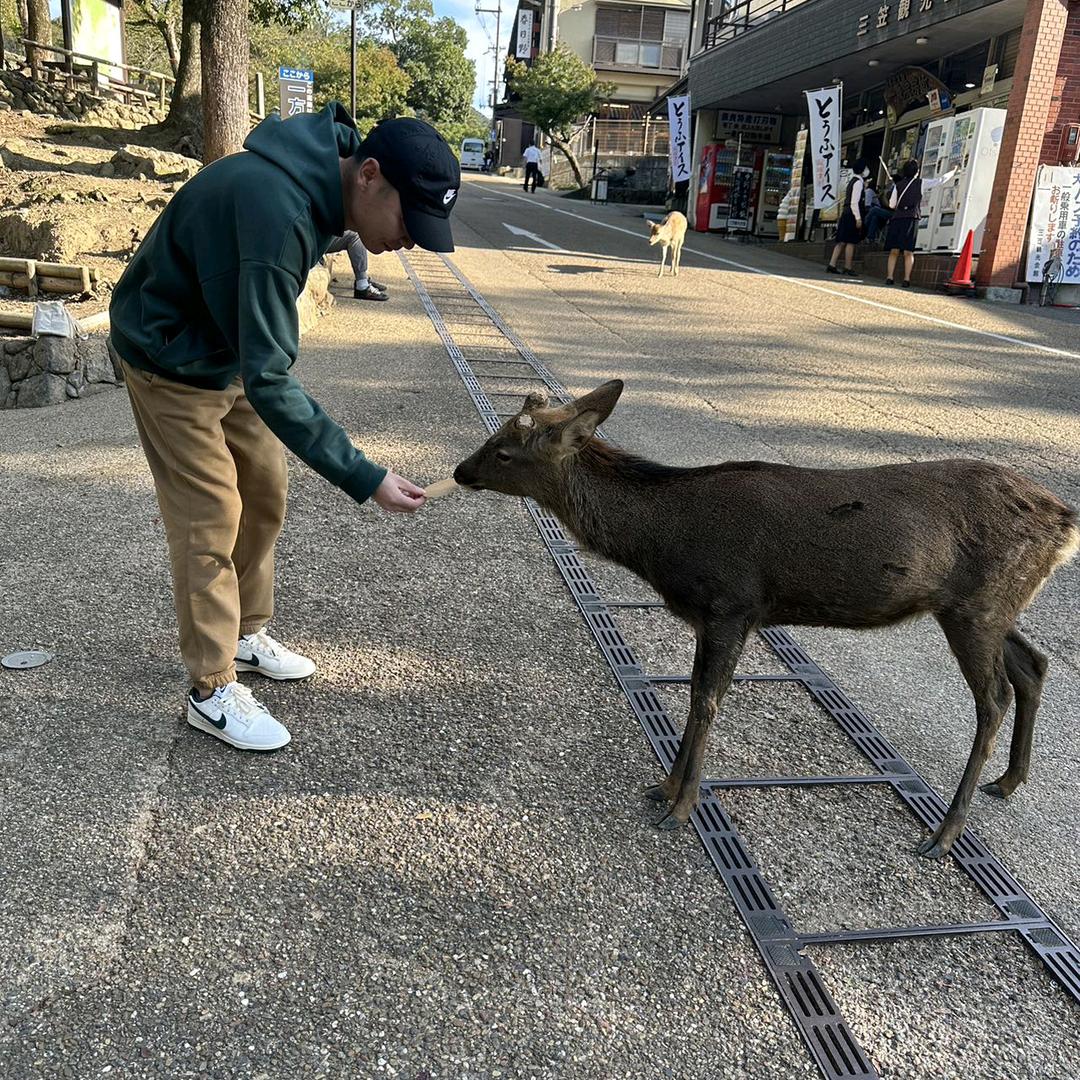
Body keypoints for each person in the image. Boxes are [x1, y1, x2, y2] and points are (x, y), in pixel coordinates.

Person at [107, 105, 460, 751]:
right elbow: (271, 378)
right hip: (167, 357)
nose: (412, 239)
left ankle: (243, 634)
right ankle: (211, 690)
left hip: (226, 349)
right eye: (411, 220)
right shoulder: (279, 210)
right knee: (210, 516)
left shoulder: (322, 184)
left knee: (265, 493)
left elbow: (261, 364)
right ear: (370, 176)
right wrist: (366, 475)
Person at [884, 158, 957, 286]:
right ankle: (906, 279)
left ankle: (889, 277)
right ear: (917, 172)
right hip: (912, 218)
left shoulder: (898, 185)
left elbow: (891, 205)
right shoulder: (921, 183)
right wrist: (953, 171)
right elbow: (939, 181)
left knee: (894, 251)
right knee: (908, 251)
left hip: (897, 219)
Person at [826, 158, 870, 276]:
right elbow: (854, 202)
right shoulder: (858, 182)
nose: (867, 170)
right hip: (852, 214)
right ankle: (848, 267)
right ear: (862, 170)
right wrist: (858, 218)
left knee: (841, 240)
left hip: (846, 213)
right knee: (850, 241)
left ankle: (832, 264)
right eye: (866, 168)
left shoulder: (853, 181)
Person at [324, 231, 389, 301]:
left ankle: (364, 279)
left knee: (356, 229)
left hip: (315, 236)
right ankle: (362, 286)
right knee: (356, 236)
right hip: (315, 239)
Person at [863, 179, 892, 244]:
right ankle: (870, 238)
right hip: (882, 212)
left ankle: (865, 222)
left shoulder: (891, 193)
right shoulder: (870, 191)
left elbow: (889, 205)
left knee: (874, 210)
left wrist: (883, 195)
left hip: (892, 212)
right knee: (874, 218)